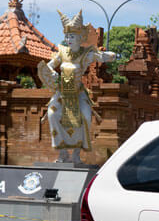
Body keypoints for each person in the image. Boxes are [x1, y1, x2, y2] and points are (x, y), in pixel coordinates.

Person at [37, 10, 116, 164]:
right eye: (67, 36)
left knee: (85, 117)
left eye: (72, 36)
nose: (69, 39)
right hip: (62, 92)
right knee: (52, 114)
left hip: (79, 93)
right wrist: (52, 73)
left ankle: (76, 154)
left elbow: (101, 56)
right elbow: (48, 66)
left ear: (80, 38)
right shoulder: (62, 52)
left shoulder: (87, 53)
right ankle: (62, 153)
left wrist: (110, 56)